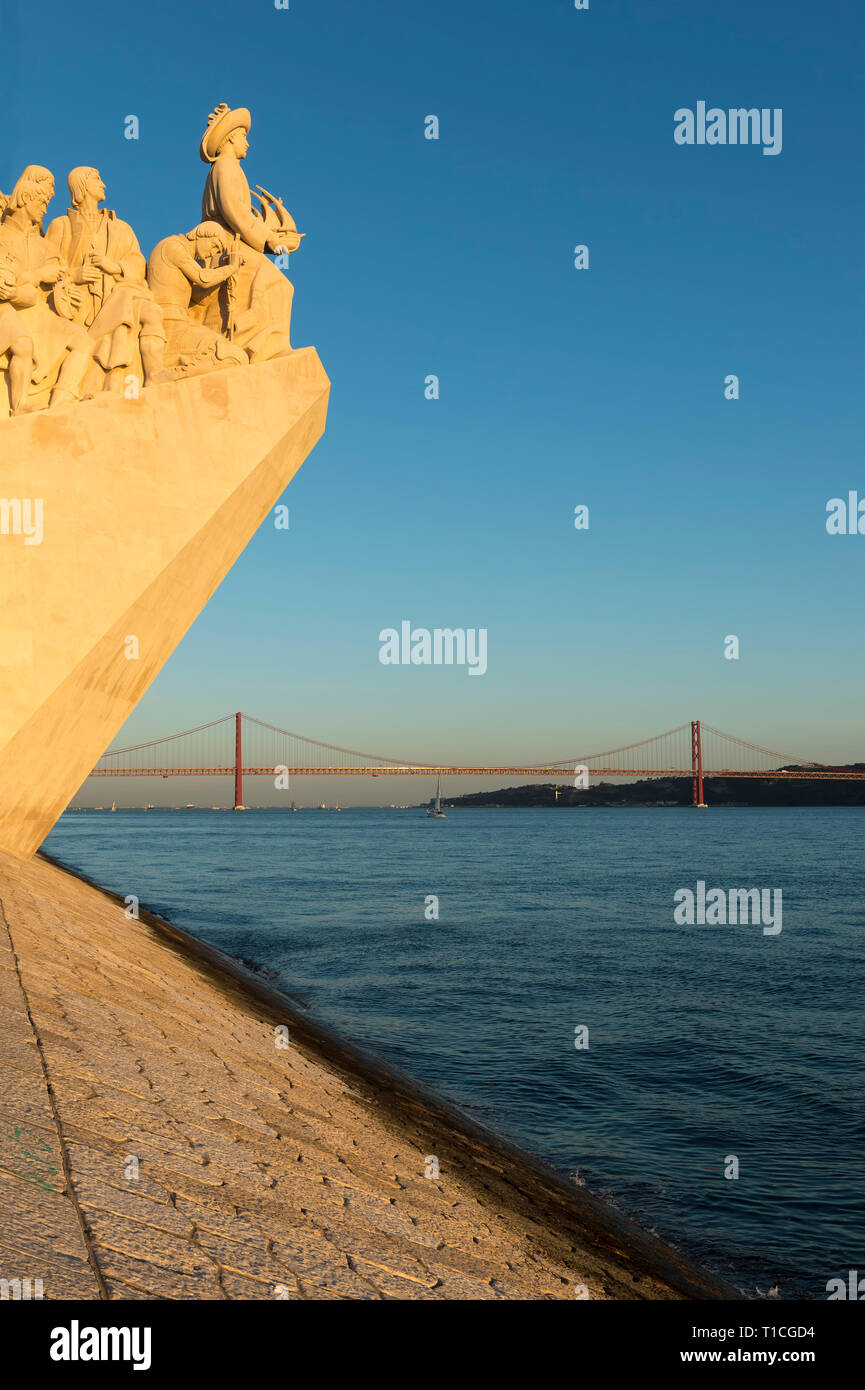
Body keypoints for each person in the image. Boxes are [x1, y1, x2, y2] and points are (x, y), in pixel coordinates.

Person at [45, 167, 174, 389]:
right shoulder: (61, 226)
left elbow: (137, 263)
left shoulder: (120, 228)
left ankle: (154, 372)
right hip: (81, 307)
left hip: (118, 297)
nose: (103, 184)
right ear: (81, 186)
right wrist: (74, 275)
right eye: (97, 179)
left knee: (148, 311)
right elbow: (47, 267)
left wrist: (115, 266)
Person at [198, 103, 299, 360]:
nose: (248, 143)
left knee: (279, 286)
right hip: (225, 246)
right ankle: (260, 348)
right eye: (244, 136)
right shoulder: (224, 166)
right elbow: (235, 213)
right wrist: (270, 239)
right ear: (231, 137)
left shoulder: (231, 168)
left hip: (238, 242)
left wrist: (271, 237)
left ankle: (264, 346)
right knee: (278, 285)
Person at [0, 166, 94, 412]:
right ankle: (19, 404)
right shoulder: (1, 235)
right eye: (41, 202)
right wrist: (35, 276)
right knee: (22, 345)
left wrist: (67, 291)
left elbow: (60, 279)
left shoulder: (45, 246)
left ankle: (62, 402)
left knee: (82, 340)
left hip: (35, 309)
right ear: (26, 199)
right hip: (8, 308)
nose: (45, 207)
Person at [145, 222, 248, 376]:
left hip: (179, 323)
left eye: (217, 251)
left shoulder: (186, 257)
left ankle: (180, 374)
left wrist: (224, 272)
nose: (212, 253)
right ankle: (178, 375)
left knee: (237, 356)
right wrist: (230, 268)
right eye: (214, 246)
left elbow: (198, 296)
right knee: (234, 356)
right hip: (169, 324)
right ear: (202, 234)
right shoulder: (173, 247)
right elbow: (203, 278)